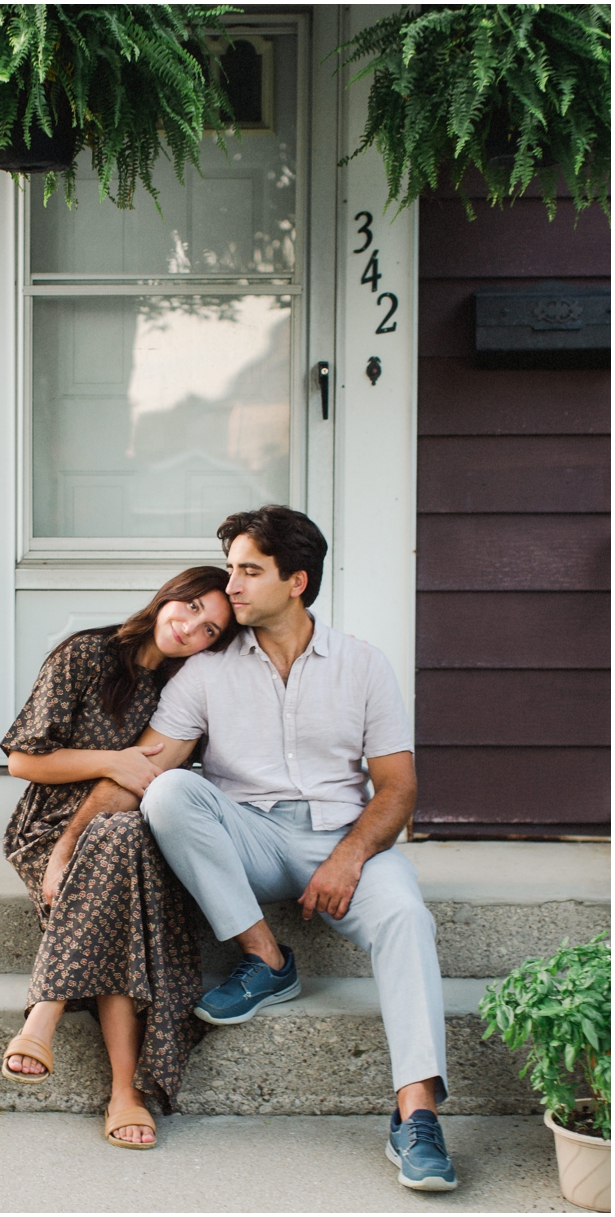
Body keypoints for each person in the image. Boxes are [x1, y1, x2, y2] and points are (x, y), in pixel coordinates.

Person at [57, 505, 458, 1191]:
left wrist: (349, 854)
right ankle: (265, 956)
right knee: (170, 793)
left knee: (407, 918)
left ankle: (415, 1117)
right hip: (246, 837)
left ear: (295, 580)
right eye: (232, 567)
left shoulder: (362, 664)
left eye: (249, 570)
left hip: (341, 838)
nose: (232, 585)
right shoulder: (207, 672)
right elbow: (145, 766)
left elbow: (395, 788)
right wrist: (66, 846)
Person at [0, 567, 237, 1150]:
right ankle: (125, 1093)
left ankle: (43, 1017)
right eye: (190, 609)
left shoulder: (188, 690)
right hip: (51, 828)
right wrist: (111, 762)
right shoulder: (85, 655)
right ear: (168, 597)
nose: (191, 630)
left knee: (123, 838)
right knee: (120, 851)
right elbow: (23, 762)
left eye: (210, 630)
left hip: (137, 838)